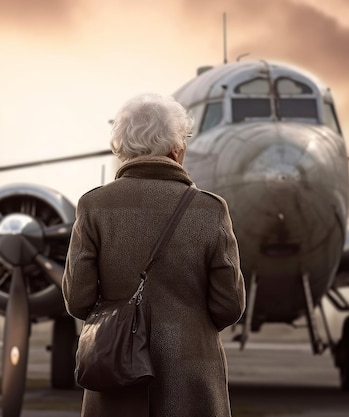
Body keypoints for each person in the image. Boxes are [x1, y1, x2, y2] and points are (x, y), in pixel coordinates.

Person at [62, 93, 246, 417]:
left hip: (115, 383)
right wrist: (188, 326)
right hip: (192, 384)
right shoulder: (210, 209)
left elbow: (78, 299)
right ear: (176, 148)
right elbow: (230, 306)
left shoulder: (93, 207)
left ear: (121, 148)